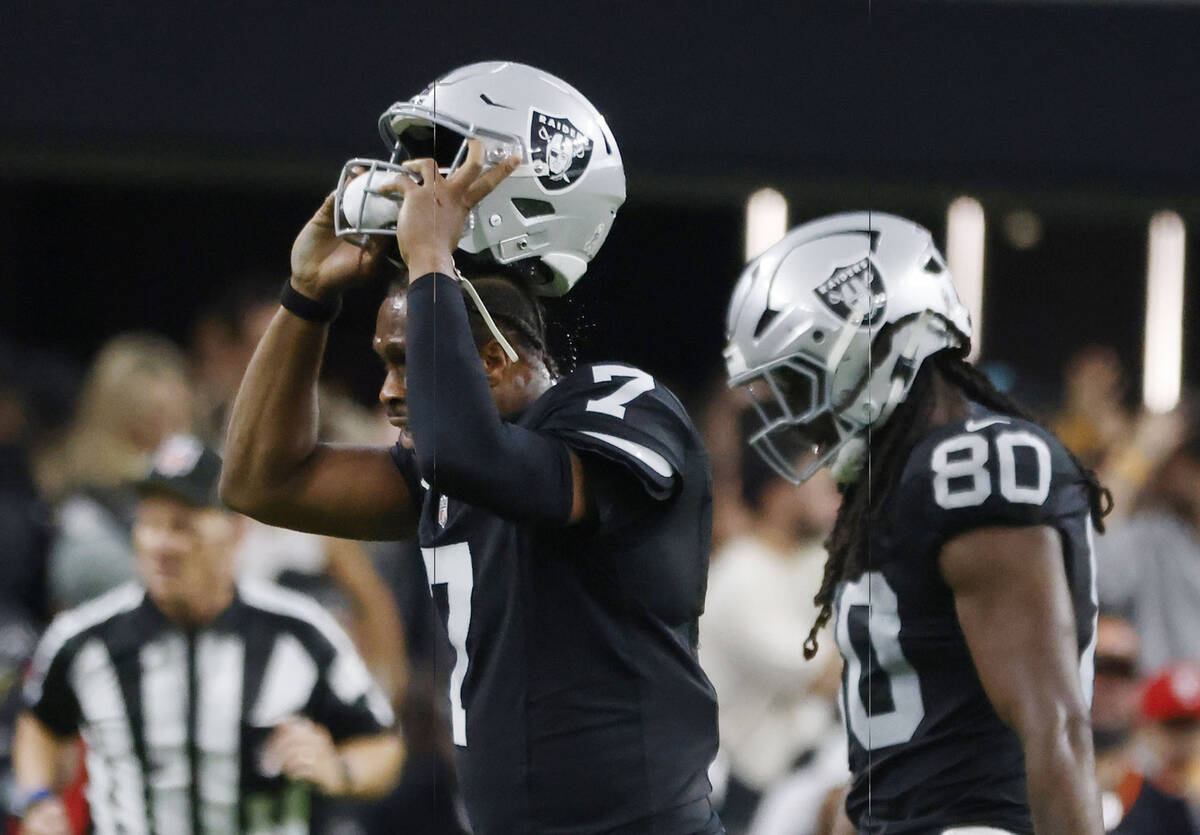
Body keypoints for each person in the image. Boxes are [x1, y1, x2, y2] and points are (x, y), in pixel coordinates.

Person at [220, 61, 722, 834]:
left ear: (490, 358)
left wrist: (430, 263)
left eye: (404, 361)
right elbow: (261, 481)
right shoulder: (454, 459)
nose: (389, 393)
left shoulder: (622, 408)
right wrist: (306, 294)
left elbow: (473, 458)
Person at [723, 212, 1109, 833]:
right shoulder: (901, 482)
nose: (797, 416)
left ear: (868, 350)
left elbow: (1055, 722)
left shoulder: (977, 466)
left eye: (800, 380)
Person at [12, 435, 402, 834]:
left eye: (182, 527)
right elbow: (40, 723)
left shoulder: (300, 632)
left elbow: (381, 743)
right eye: (150, 524)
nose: (161, 544)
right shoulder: (84, 638)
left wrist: (339, 771)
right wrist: (38, 801)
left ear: (235, 531)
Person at [701, 442, 842, 831]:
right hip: (753, 794)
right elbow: (830, 678)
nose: (829, 483)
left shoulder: (805, 560)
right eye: (813, 474)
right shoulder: (740, 575)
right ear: (776, 492)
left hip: (805, 766)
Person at [1089, 616, 1193, 834]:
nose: (1107, 684)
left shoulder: (1167, 802)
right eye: (1096, 666)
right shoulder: (1027, 779)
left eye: (1122, 670)